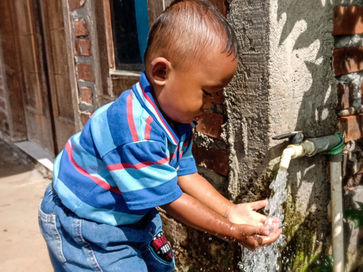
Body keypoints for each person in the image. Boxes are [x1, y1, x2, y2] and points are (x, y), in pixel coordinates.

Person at [38, 0, 282, 271]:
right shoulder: (136, 132)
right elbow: (172, 201)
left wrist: (230, 211)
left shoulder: (176, 120)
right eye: (207, 91)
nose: (210, 103)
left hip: (131, 213)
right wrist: (232, 231)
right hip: (87, 223)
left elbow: (185, 174)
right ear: (161, 72)